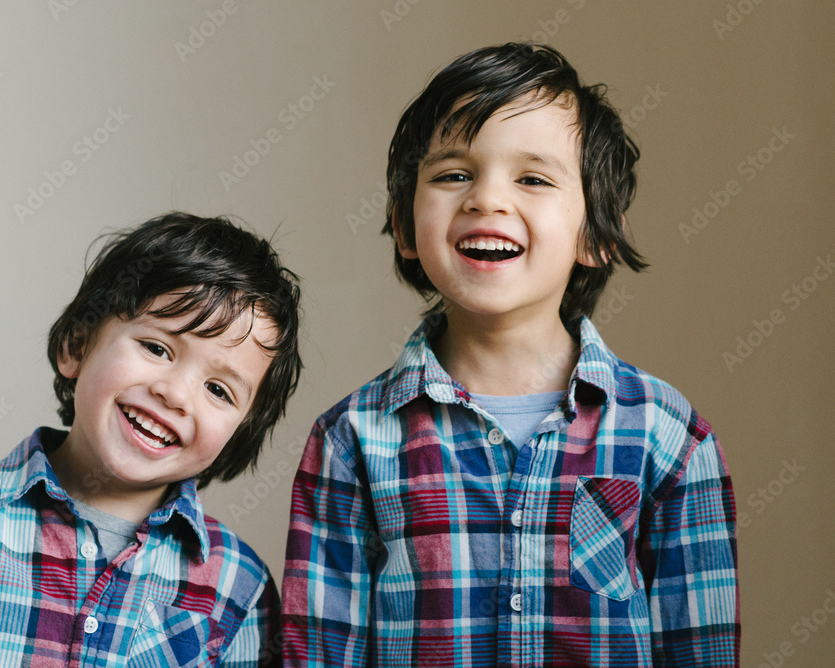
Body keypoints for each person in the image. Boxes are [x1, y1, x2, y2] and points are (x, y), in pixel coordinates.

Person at [283, 43, 738, 666]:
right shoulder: (352, 440)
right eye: (453, 175)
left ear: (598, 234)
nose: (486, 199)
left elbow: (700, 647)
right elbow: (320, 650)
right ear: (403, 221)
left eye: (532, 178)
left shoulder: (669, 435)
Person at [0, 212, 300, 667]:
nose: (176, 393)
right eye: (156, 348)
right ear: (77, 345)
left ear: (239, 434)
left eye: (218, 390)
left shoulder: (241, 588)